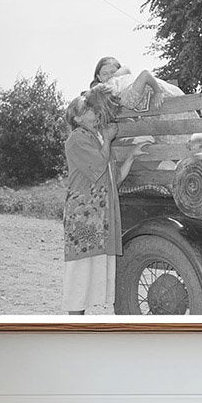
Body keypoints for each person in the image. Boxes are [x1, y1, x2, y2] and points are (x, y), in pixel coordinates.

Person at [61, 88, 143, 315]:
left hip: (101, 216)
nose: (93, 112)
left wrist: (133, 155)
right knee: (80, 270)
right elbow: (98, 166)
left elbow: (113, 179)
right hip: (85, 214)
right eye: (86, 110)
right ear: (77, 118)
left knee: (91, 270)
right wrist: (107, 139)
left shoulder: (96, 137)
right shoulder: (76, 139)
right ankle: (75, 323)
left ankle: (80, 320)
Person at [92, 56, 183, 111]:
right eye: (105, 74)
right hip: (161, 111)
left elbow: (145, 74)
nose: (110, 76)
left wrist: (158, 92)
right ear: (99, 77)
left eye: (113, 72)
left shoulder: (125, 90)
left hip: (174, 103)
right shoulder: (103, 94)